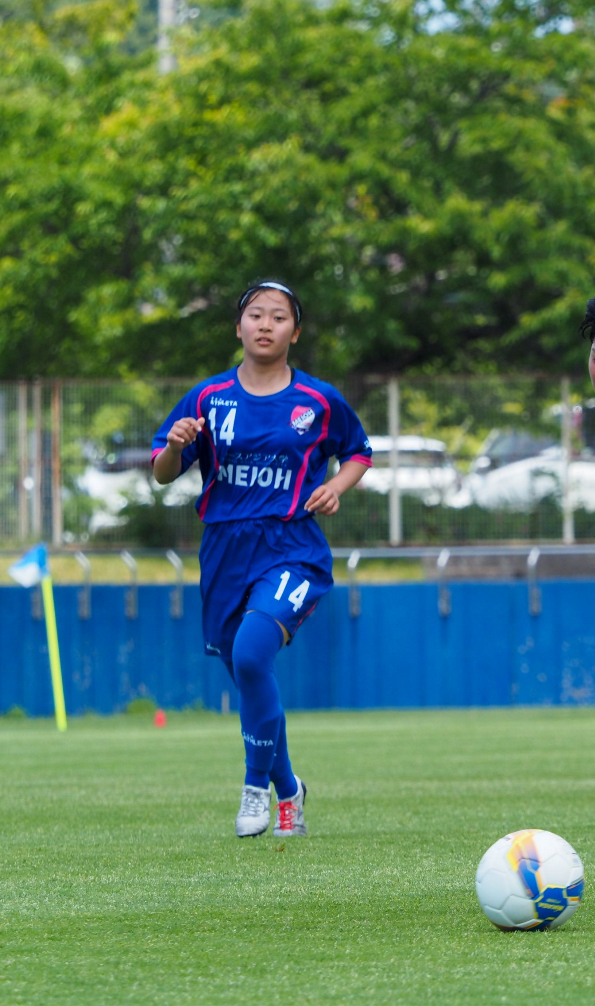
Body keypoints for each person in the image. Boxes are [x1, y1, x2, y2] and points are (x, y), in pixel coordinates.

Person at [152, 281, 371, 838]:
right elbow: (161, 469)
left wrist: (338, 486)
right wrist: (176, 446)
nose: (266, 324)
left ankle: (254, 790)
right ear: (239, 327)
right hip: (225, 551)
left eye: (279, 317)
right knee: (250, 676)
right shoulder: (207, 398)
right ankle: (291, 792)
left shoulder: (318, 400)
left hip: (292, 547)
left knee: (252, 654)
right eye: (255, 314)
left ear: (295, 332)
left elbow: (359, 450)